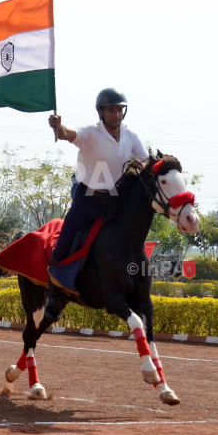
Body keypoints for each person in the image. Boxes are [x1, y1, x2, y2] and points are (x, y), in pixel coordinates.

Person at [45, 88, 148, 322]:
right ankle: (54, 295)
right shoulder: (91, 133)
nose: (116, 114)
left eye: (119, 109)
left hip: (115, 203)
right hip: (87, 200)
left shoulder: (131, 136)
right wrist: (57, 127)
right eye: (110, 110)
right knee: (63, 245)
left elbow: (145, 161)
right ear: (101, 112)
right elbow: (67, 133)